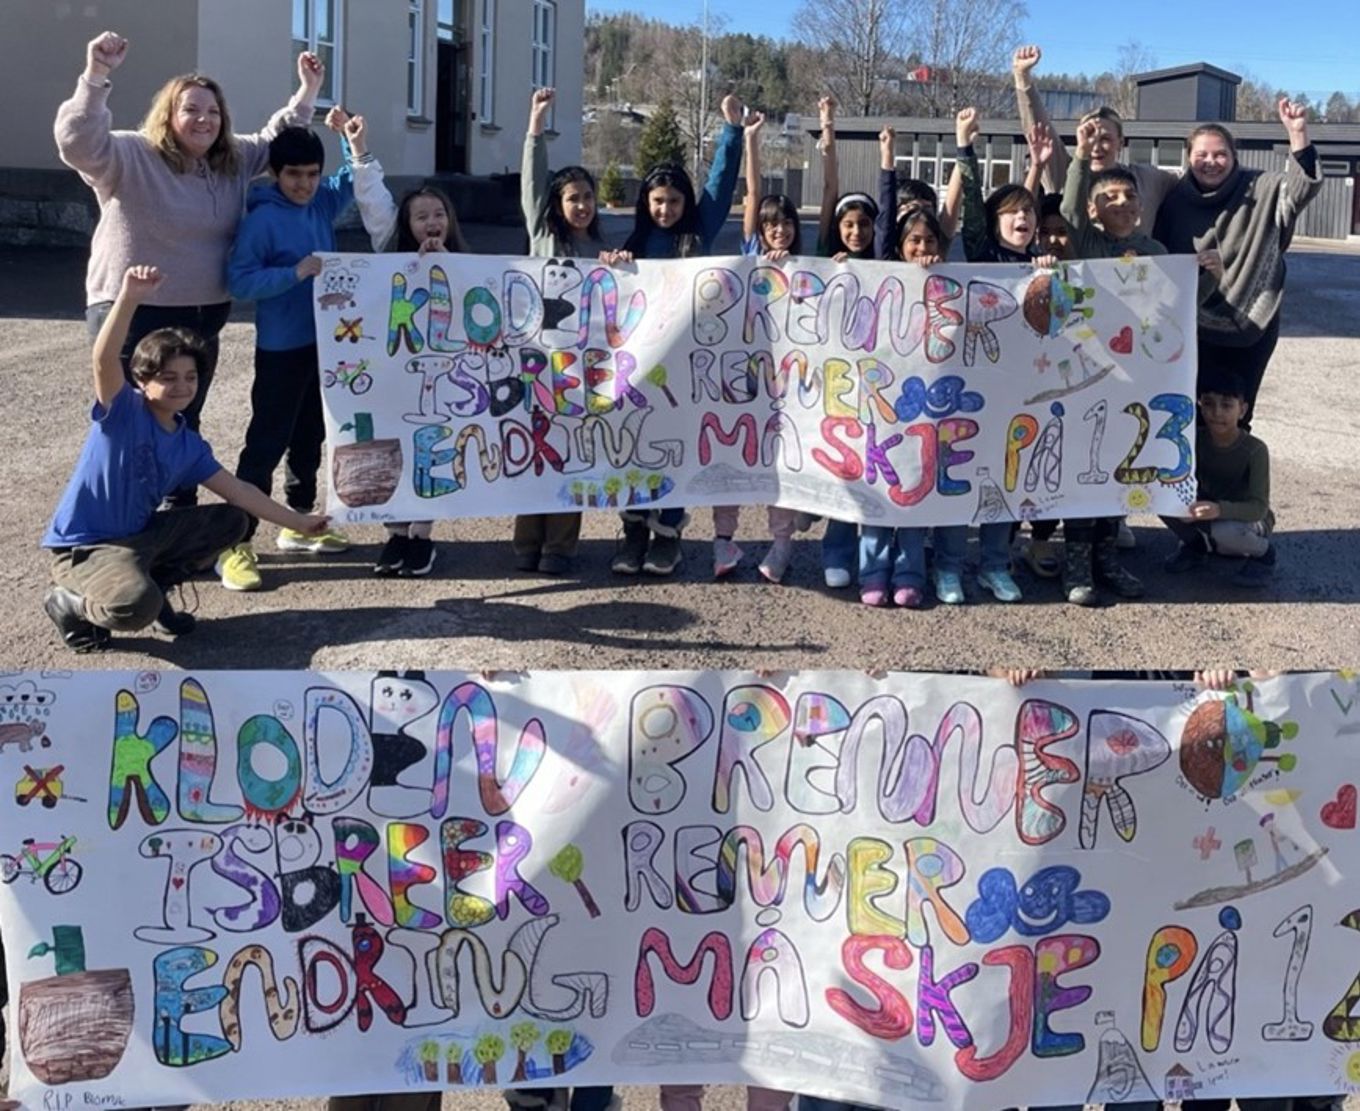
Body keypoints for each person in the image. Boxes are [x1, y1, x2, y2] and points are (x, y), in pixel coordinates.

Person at [54, 30, 324, 507]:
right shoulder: (130, 154)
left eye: (213, 111)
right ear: (168, 114)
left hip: (202, 316)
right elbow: (78, 143)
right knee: (131, 424)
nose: (204, 119)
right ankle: (124, 519)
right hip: (133, 312)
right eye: (191, 109)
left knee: (182, 419)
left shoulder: (231, 161)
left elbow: (276, 140)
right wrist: (95, 76)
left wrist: (307, 92)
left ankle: (179, 517)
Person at [41, 266, 330, 652]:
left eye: (190, 377)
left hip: (140, 536)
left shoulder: (188, 445)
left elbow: (240, 492)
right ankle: (70, 603)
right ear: (142, 380)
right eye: (168, 377)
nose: (182, 386)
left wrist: (300, 522)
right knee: (133, 607)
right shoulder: (123, 412)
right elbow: (103, 358)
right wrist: (129, 297)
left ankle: (157, 589)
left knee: (233, 521)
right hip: (85, 548)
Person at [1052, 118, 1224, 606]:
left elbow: (1176, 309)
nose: (1122, 204)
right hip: (1087, 377)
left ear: (1141, 206)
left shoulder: (1155, 251)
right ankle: (1076, 566)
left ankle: (1108, 560)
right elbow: (1068, 208)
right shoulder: (1085, 242)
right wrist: (1081, 155)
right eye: (1109, 199)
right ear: (1094, 209)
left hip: (1135, 384)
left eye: (1129, 197)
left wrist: (1209, 278)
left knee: (1118, 469)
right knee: (1084, 471)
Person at [327, 107, 469, 579]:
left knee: (430, 448)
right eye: (421, 216)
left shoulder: (469, 262)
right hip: (391, 376)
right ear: (406, 224)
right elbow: (372, 199)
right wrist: (358, 148)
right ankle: (394, 533)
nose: (431, 222)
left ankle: (421, 537)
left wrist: (446, 265)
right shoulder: (388, 251)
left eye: (438, 215)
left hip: (439, 381)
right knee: (390, 445)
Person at [216, 125, 355, 591]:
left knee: (311, 434)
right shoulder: (262, 220)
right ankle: (235, 541)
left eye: (313, 174)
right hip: (280, 348)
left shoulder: (321, 203)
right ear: (275, 173)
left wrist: (351, 139)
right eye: (294, 174)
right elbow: (240, 281)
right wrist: (294, 273)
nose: (305, 184)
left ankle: (300, 520)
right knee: (266, 441)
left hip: (325, 343)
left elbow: (354, 178)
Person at [613, 93, 745, 577]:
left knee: (673, 449)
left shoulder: (698, 235)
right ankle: (633, 533)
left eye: (673, 201)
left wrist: (731, 131)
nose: (665, 209)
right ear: (645, 203)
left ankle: (667, 536)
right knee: (633, 446)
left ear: (685, 202)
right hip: (637, 368)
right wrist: (614, 265)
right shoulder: (635, 242)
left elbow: (719, 186)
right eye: (657, 201)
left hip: (685, 370)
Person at [1153, 99, 1322, 427]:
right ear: (1189, 157)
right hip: (1193, 327)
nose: (1210, 162)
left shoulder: (1261, 188)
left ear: (1234, 157)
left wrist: (1298, 134)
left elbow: (1303, 188)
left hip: (1251, 323)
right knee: (1194, 413)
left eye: (1220, 154)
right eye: (1201, 155)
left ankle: (1239, 458)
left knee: (1236, 414)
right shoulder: (1174, 201)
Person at [949, 106, 1053, 605]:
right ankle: (949, 566)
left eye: (1029, 212)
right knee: (959, 478)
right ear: (995, 221)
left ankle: (995, 564)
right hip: (972, 392)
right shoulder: (982, 254)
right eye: (1013, 212)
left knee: (1006, 481)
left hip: (1022, 395)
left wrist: (1051, 275)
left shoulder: (1042, 264)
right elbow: (971, 203)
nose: (1023, 218)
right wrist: (964, 146)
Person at [510, 87, 610, 576]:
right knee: (534, 450)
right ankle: (526, 543)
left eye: (588, 197)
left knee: (570, 452)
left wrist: (619, 267)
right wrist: (536, 123)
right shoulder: (542, 234)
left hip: (578, 371)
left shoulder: (601, 248)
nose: (582, 205)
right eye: (573, 198)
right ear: (557, 202)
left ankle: (561, 547)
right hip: (535, 362)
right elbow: (532, 179)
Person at [710, 108, 801, 583]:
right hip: (740, 379)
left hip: (787, 384)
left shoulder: (807, 266)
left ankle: (781, 543)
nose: (778, 230)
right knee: (731, 455)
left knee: (779, 463)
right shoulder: (749, 255)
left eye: (785, 223)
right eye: (771, 224)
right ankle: (723, 541)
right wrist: (750, 140)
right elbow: (752, 193)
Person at [857, 207, 946, 608]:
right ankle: (873, 572)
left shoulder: (949, 281)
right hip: (880, 407)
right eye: (914, 240)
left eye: (929, 240)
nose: (922, 247)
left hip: (922, 408)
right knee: (877, 491)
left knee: (914, 491)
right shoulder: (880, 279)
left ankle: (910, 574)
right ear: (900, 245)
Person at [814, 95, 878, 590]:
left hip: (880, 381)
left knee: (876, 467)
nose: (856, 232)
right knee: (844, 466)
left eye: (864, 224)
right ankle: (836, 549)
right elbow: (829, 189)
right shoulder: (824, 257)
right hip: (835, 380)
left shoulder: (890, 263)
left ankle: (873, 555)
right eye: (848, 224)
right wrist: (828, 131)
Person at [1012, 44, 1177, 228]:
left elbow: (1192, 186)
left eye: (1105, 139)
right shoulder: (1065, 173)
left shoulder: (1147, 179)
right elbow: (1041, 130)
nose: (1096, 147)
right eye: (1088, 137)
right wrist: (1023, 78)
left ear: (1120, 143)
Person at [1161, 371, 1275, 588]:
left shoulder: (1255, 450)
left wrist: (1219, 510)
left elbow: (1259, 508)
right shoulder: (1195, 439)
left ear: (1242, 410)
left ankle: (1264, 554)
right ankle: (1196, 547)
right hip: (1209, 509)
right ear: (1199, 406)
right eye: (1208, 404)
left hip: (1246, 519)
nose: (1216, 413)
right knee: (1163, 501)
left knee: (1226, 531)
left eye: (1227, 405)